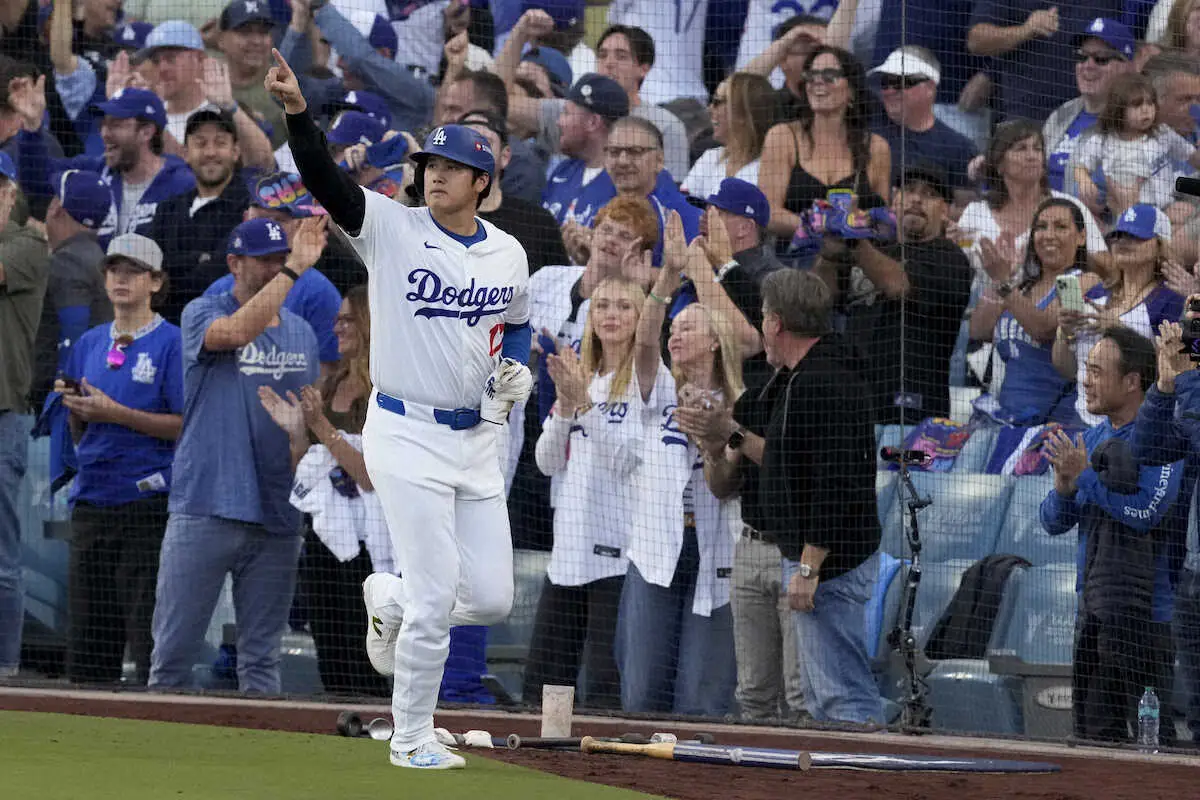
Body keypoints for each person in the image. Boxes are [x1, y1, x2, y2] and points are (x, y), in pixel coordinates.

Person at [270, 49, 534, 769]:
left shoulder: (508, 253)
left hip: (475, 439)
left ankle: (385, 594)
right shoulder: (391, 226)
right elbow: (324, 179)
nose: (435, 174)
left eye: (451, 167)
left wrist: (517, 366)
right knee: (433, 596)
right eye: (430, 164)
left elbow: (515, 322)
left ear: (482, 181)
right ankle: (412, 737)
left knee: (488, 599)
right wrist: (298, 113)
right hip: (404, 430)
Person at [147, 216, 323, 694]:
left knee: (262, 664)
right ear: (233, 263)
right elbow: (233, 335)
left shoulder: (302, 334)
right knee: (173, 656)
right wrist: (293, 272)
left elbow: (305, 423)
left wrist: (298, 436)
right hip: (207, 502)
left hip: (278, 512)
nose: (272, 268)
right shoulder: (202, 312)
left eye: (278, 258)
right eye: (262, 260)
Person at [700, 268, 883, 724]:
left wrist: (809, 565)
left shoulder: (822, 381)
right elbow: (793, 462)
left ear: (777, 322)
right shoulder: (801, 377)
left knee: (840, 698)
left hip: (830, 565)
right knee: (824, 699)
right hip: (822, 560)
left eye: (763, 317)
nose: (761, 326)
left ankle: (864, 779)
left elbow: (836, 481)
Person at [616, 233, 743, 716]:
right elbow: (645, 339)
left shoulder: (740, 400)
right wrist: (667, 277)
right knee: (643, 691)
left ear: (715, 339)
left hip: (716, 552)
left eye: (688, 327)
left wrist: (717, 435)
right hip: (655, 550)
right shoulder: (660, 391)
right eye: (674, 327)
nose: (675, 334)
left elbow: (729, 480)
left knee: (700, 698)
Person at [1043, 326, 1183, 745]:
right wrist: (1066, 490)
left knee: (1152, 743)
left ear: (1132, 381)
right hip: (1092, 615)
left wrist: (1085, 478)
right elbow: (1051, 521)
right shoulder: (1090, 439)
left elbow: (1144, 513)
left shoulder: (1163, 441)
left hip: (1148, 620)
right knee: (1092, 739)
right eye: (1086, 369)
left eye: (1097, 371)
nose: (1086, 380)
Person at [57, 233, 183, 685]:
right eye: (114, 270)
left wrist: (115, 412)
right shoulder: (90, 342)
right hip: (93, 496)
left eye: (133, 271)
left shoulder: (171, 342)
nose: (121, 279)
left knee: (145, 624)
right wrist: (80, 409)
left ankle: (152, 720)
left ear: (155, 282)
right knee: (89, 631)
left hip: (145, 501)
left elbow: (183, 424)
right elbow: (82, 428)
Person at [526, 275, 648, 711]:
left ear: (642, 318)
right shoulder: (582, 374)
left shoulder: (646, 383)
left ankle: (607, 768)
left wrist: (584, 407)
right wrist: (565, 406)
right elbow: (546, 462)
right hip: (569, 550)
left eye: (623, 306)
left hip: (619, 552)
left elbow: (627, 461)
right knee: (544, 679)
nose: (611, 315)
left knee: (602, 683)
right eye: (602, 307)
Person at [826, 163, 974, 424]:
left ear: (945, 210)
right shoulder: (873, 248)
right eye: (908, 190)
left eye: (929, 194)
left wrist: (853, 236)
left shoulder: (950, 258)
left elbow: (896, 285)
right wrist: (828, 247)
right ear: (894, 201)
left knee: (908, 464)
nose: (916, 199)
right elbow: (824, 296)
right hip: (855, 403)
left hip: (914, 413)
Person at [500, 12, 690, 182]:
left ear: (643, 68)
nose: (609, 63)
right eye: (602, 55)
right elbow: (496, 101)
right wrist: (520, 34)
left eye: (621, 56)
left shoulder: (667, 126)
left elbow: (671, 199)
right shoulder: (569, 111)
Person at [758, 46, 891, 266]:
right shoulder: (782, 136)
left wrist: (854, 222)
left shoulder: (876, 147)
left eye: (830, 76)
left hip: (854, 264)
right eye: (811, 76)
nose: (818, 82)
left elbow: (881, 218)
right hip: (790, 263)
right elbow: (768, 212)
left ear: (851, 91)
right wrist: (821, 224)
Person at [1055, 205, 1183, 426]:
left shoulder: (1171, 300)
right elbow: (1067, 369)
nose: (1123, 242)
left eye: (1135, 236)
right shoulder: (1095, 294)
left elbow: (1175, 371)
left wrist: (1121, 330)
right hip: (1081, 420)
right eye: (1118, 236)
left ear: (1160, 245)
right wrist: (1064, 334)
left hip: (1138, 426)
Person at [971, 197, 1088, 426]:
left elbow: (1042, 328)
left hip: (1051, 426)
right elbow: (978, 330)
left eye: (1061, 227)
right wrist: (1004, 277)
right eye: (1041, 227)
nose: (1049, 235)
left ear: (1081, 237)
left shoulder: (1085, 281)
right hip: (1003, 419)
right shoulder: (1021, 288)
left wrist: (1003, 282)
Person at [0, 154, 50, 677]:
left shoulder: (28, 243)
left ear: (10, 194)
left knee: (1, 556)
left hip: (3, 414)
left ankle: (6, 672)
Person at [147, 109, 252, 325]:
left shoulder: (249, 207)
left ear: (235, 151)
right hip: (168, 331)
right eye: (201, 143)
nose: (210, 152)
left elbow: (220, 275)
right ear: (186, 153)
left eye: (220, 143)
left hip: (229, 327)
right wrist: (200, 258)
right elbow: (149, 271)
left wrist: (172, 269)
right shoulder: (167, 210)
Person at [57, 87, 195, 247]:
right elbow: (39, 177)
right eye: (103, 124)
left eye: (116, 125)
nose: (104, 133)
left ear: (146, 132)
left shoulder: (182, 185)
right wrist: (32, 129)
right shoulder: (96, 169)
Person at [135, 20, 275, 168]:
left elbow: (265, 164)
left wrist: (231, 107)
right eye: (156, 61)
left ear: (200, 59)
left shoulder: (230, 111)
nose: (162, 68)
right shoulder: (146, 117)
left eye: (171, 58)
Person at [31, 169, 113, 406]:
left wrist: (64, 394)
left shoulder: (68, 261)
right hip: (93, 389)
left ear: (57, 208)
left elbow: (73, 333)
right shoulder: (98, 256)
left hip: (64, 400)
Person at [967, 0, 1124, 123]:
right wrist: (1026, 30)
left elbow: (1130, 40)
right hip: (1027, 117)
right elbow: (976, 40)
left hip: (1092, 113)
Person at [1074, 72, 1200, 221]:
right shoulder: (1102, 140)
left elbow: (1192, 158)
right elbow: (1081, 167)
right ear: (1118, 109)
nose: (1146, 110)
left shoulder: (1162, 133)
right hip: (1129, 213)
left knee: (1188, 213)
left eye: (1150, 103)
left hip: (1166, 207)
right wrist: (1085, 182)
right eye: (1137, 105)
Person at [459, 110, 569, 273]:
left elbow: (560, 287)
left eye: (485, 142)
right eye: (464, 142)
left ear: (505, 156)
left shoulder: (537, 222)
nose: (474, 150)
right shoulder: (432, 214)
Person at [868, 46, 979, 202]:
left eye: (901, 82)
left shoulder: (958, 148)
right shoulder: (867, 121)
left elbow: (964, 209)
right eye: (885, 82)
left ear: (930, 87)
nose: (890, 90)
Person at [1042, 17, 1137, 194]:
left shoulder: (1133, 123)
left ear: (1128, 67)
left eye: (1101, 59)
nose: (1088, 66)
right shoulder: (1062, 113)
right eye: (1082, 57)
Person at [682, 72, 778, 201]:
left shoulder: (770, 168)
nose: (710, 109)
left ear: (743, 112)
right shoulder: (709, 157)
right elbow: (682, 206)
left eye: (717, 102)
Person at [217, 0, 287, 148]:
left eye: (263, 32)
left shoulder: (286, 86)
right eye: (245, 32)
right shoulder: (206, 83)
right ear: (221, 40)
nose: (256, 41)